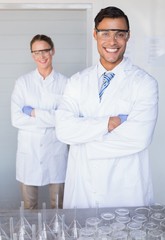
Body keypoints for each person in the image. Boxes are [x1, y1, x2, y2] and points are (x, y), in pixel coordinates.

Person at [55, 6, 159, 209]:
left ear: (128, 37)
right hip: (82, 189)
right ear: (95, 34)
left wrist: (82, 139)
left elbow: (139, 137)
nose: (112, 42)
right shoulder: (76, 82)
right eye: (105, 33)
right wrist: (108, 123)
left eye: (120, 34)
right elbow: (63, 130)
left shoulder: (145, 83)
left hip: (125, 189)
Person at [11, 34, 68, 209]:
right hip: (30, 151)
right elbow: (17, 119)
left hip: (55, 150)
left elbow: (66, 118)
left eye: (45, 51)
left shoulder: (65, 83)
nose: (41, 56)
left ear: (53, 51)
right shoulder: (23, 83)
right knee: (29, 206)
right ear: (32, 55)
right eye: (36, 52)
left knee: (58, 206)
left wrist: (34, 112)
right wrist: (52, 117)